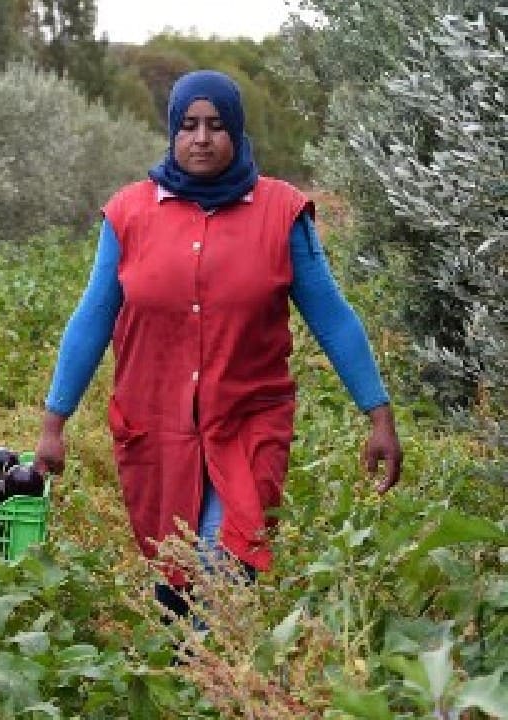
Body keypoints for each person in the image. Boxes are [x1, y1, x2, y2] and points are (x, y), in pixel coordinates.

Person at [33, 70, 403, 619]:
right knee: (174, 574)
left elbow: (333, 317)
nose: (201, 138)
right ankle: (197, 687)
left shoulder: (281, 213)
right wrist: (53, 423)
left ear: (236, 132)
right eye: (187, 125)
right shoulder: (130, 214)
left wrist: (379, 415)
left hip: (248, 424)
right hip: (155, 427)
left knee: (220, 565)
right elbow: (92, 317)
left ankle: (215, 682)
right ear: (171, 132)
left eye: (215, 125)